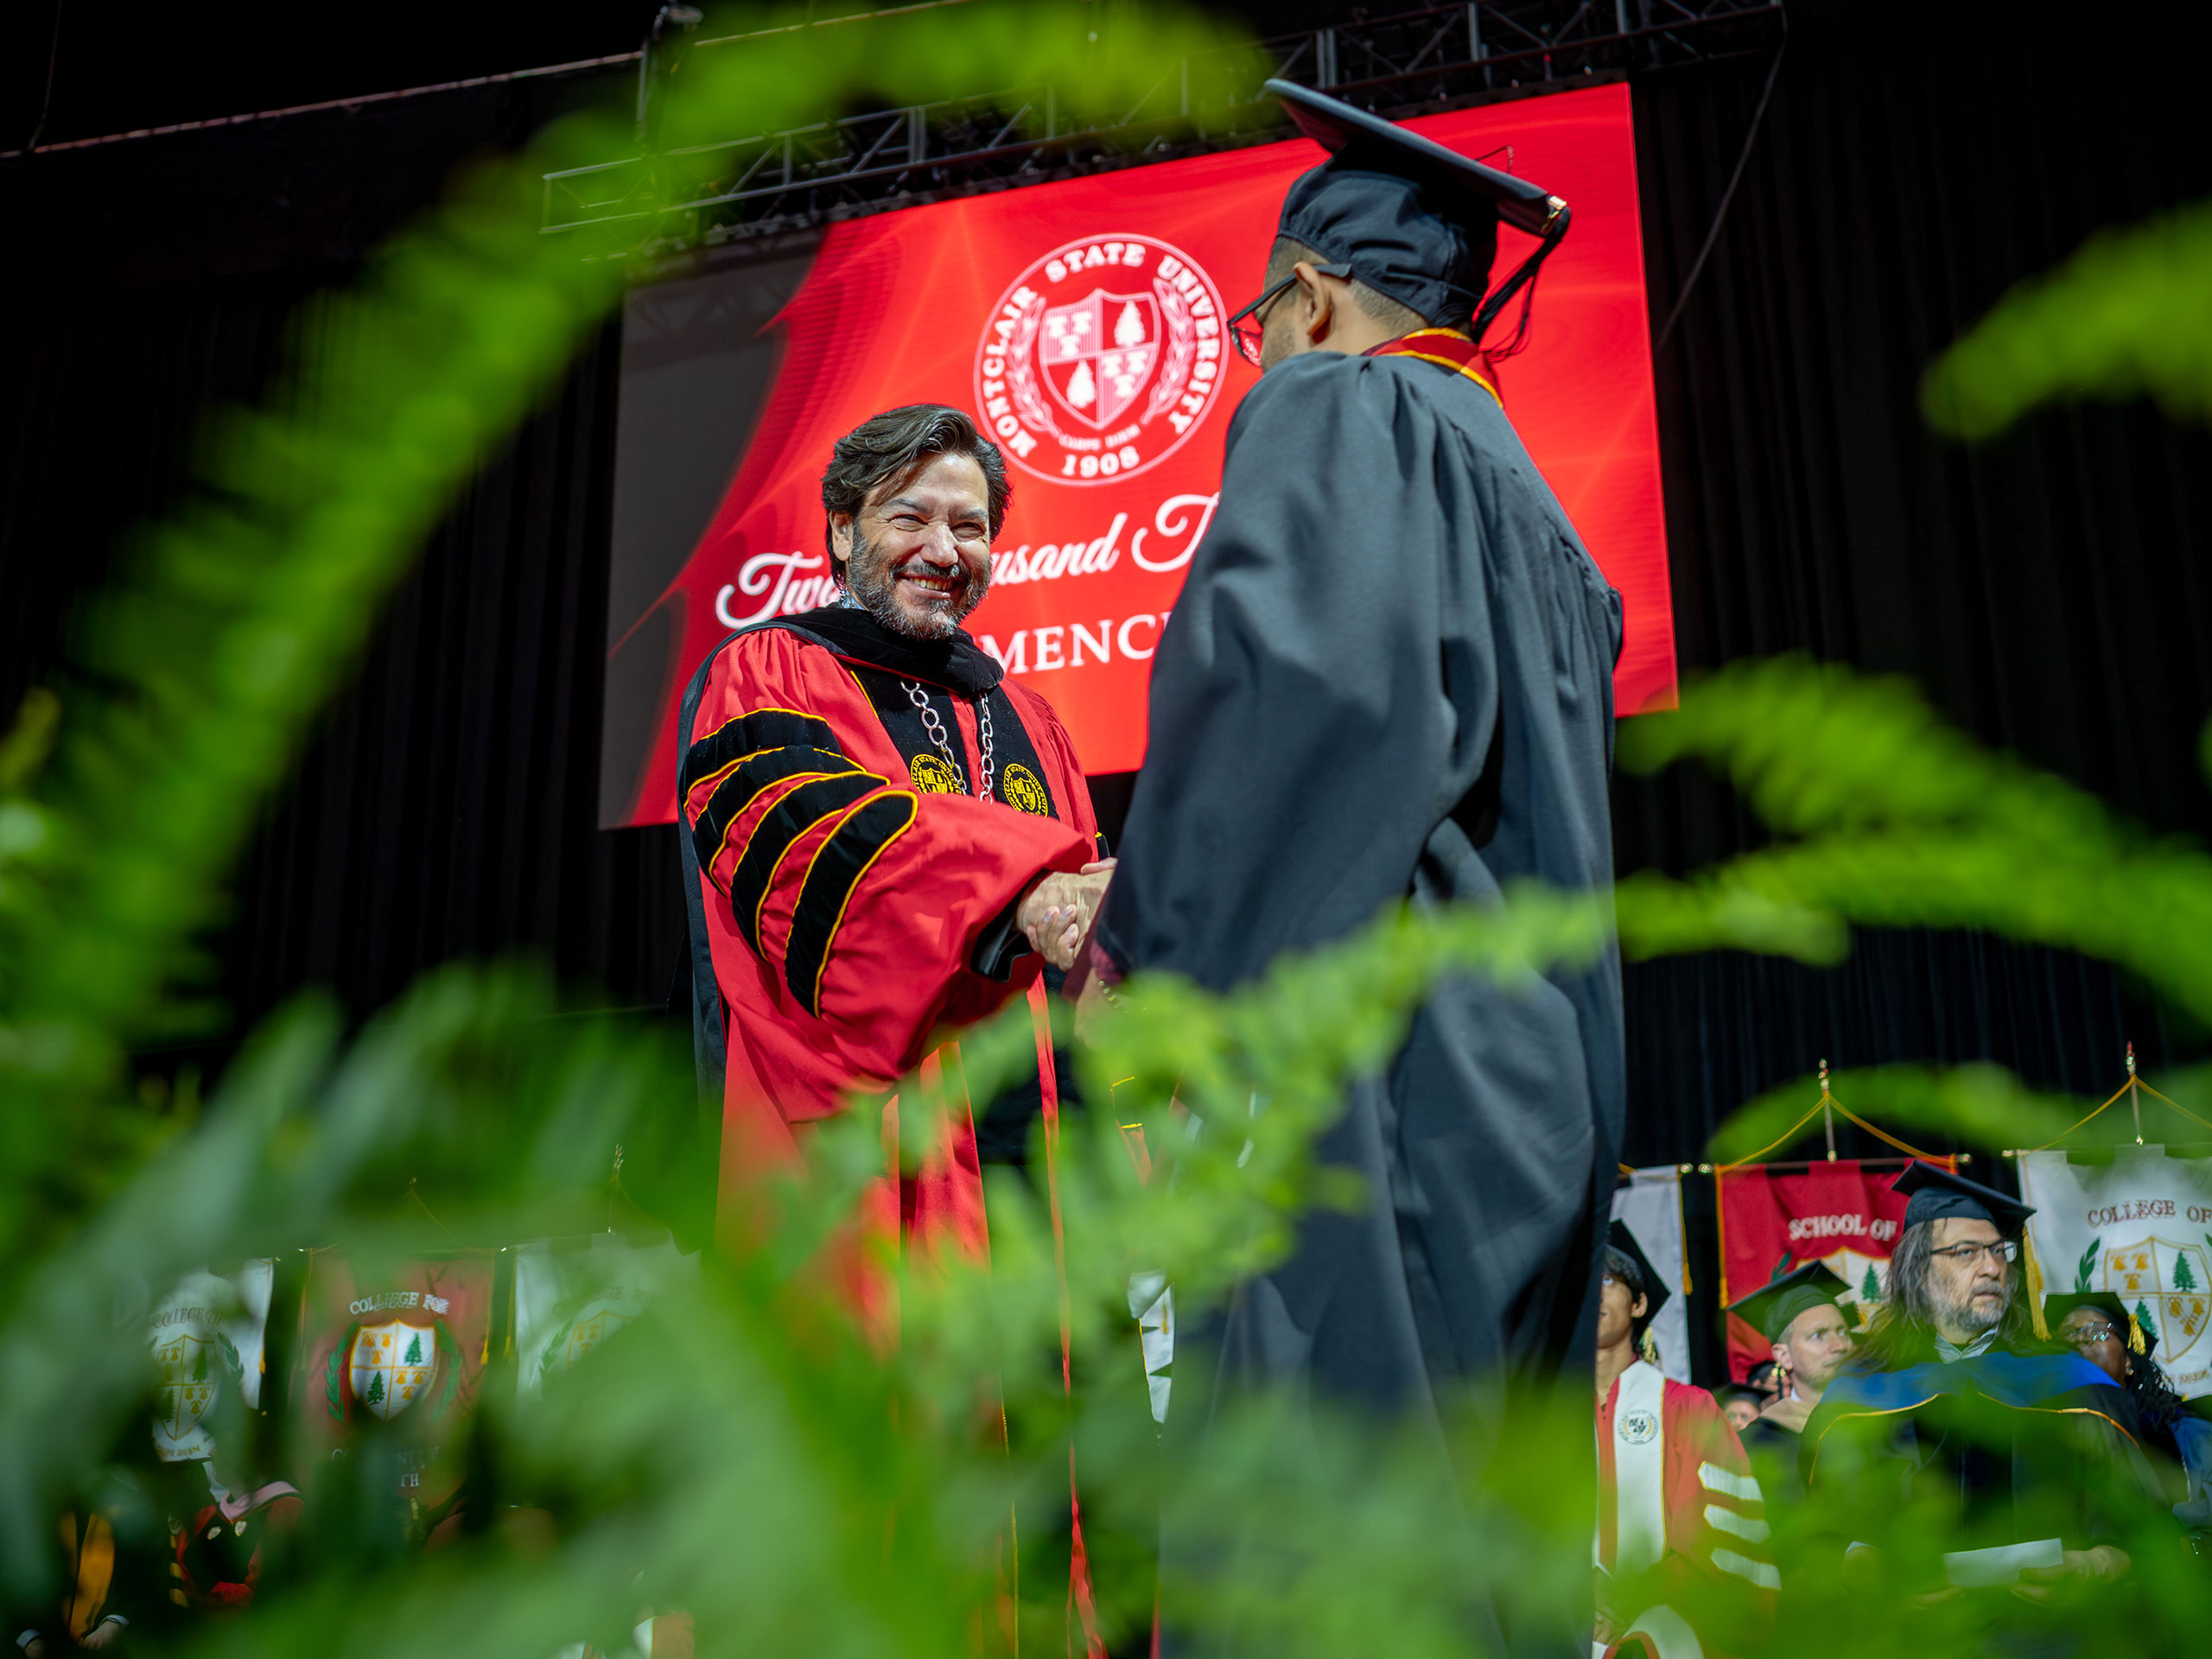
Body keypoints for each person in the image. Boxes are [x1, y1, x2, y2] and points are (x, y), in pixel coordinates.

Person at [1084, 78, 1622, 1652]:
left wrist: (1151, 954)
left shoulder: (1340, 410)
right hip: (1533, 1097)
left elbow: (1293, 697)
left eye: (1259, 323)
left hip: (1380, 1076)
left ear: (1308, 298)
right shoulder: (1542, 512)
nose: (1258, 356)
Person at [677, 404, 1111, 1220]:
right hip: (874, 1154)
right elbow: (808, 844)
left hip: (1050, 1157)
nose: (943, 552)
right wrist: (1016, 895)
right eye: (909, 517)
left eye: (969, 527)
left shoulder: (1033, 718)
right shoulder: (769, 673)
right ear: (843, 533)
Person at [1804, 1163, 2164, 1624]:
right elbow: (1819, 1536)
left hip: (2053, 1638)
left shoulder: (2069, 1383)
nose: (1993, 1267)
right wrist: (1861, 1568)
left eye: (1999, 1250)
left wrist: (2096, 1566)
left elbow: (2144, 1532)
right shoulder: (1860, 1392)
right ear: (1918, 1270)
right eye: (1966, 1252)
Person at [1594, 1223, 1775, 1659]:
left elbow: (1720, 1534)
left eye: (1605, 1280)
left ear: (1639, 1304)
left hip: (1663, 1629)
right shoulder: (1545, 1414)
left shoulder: (1688, 1408)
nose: (1590, 1294)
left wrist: (1632, 1596)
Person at [2046, 1290, 2212, 1522]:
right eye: (2065, 1336)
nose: (2079, 1340)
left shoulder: (2184, 1432)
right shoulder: (2042, 1430)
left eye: (2097, 1332)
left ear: (2128, 1361)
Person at [1725, 1263, 1854, 1506]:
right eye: (1819, 1335)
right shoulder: (1761, 1443)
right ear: (1783, 1357)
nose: (1840, 1346)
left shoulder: (1884, 1416)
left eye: (1843, 1332)